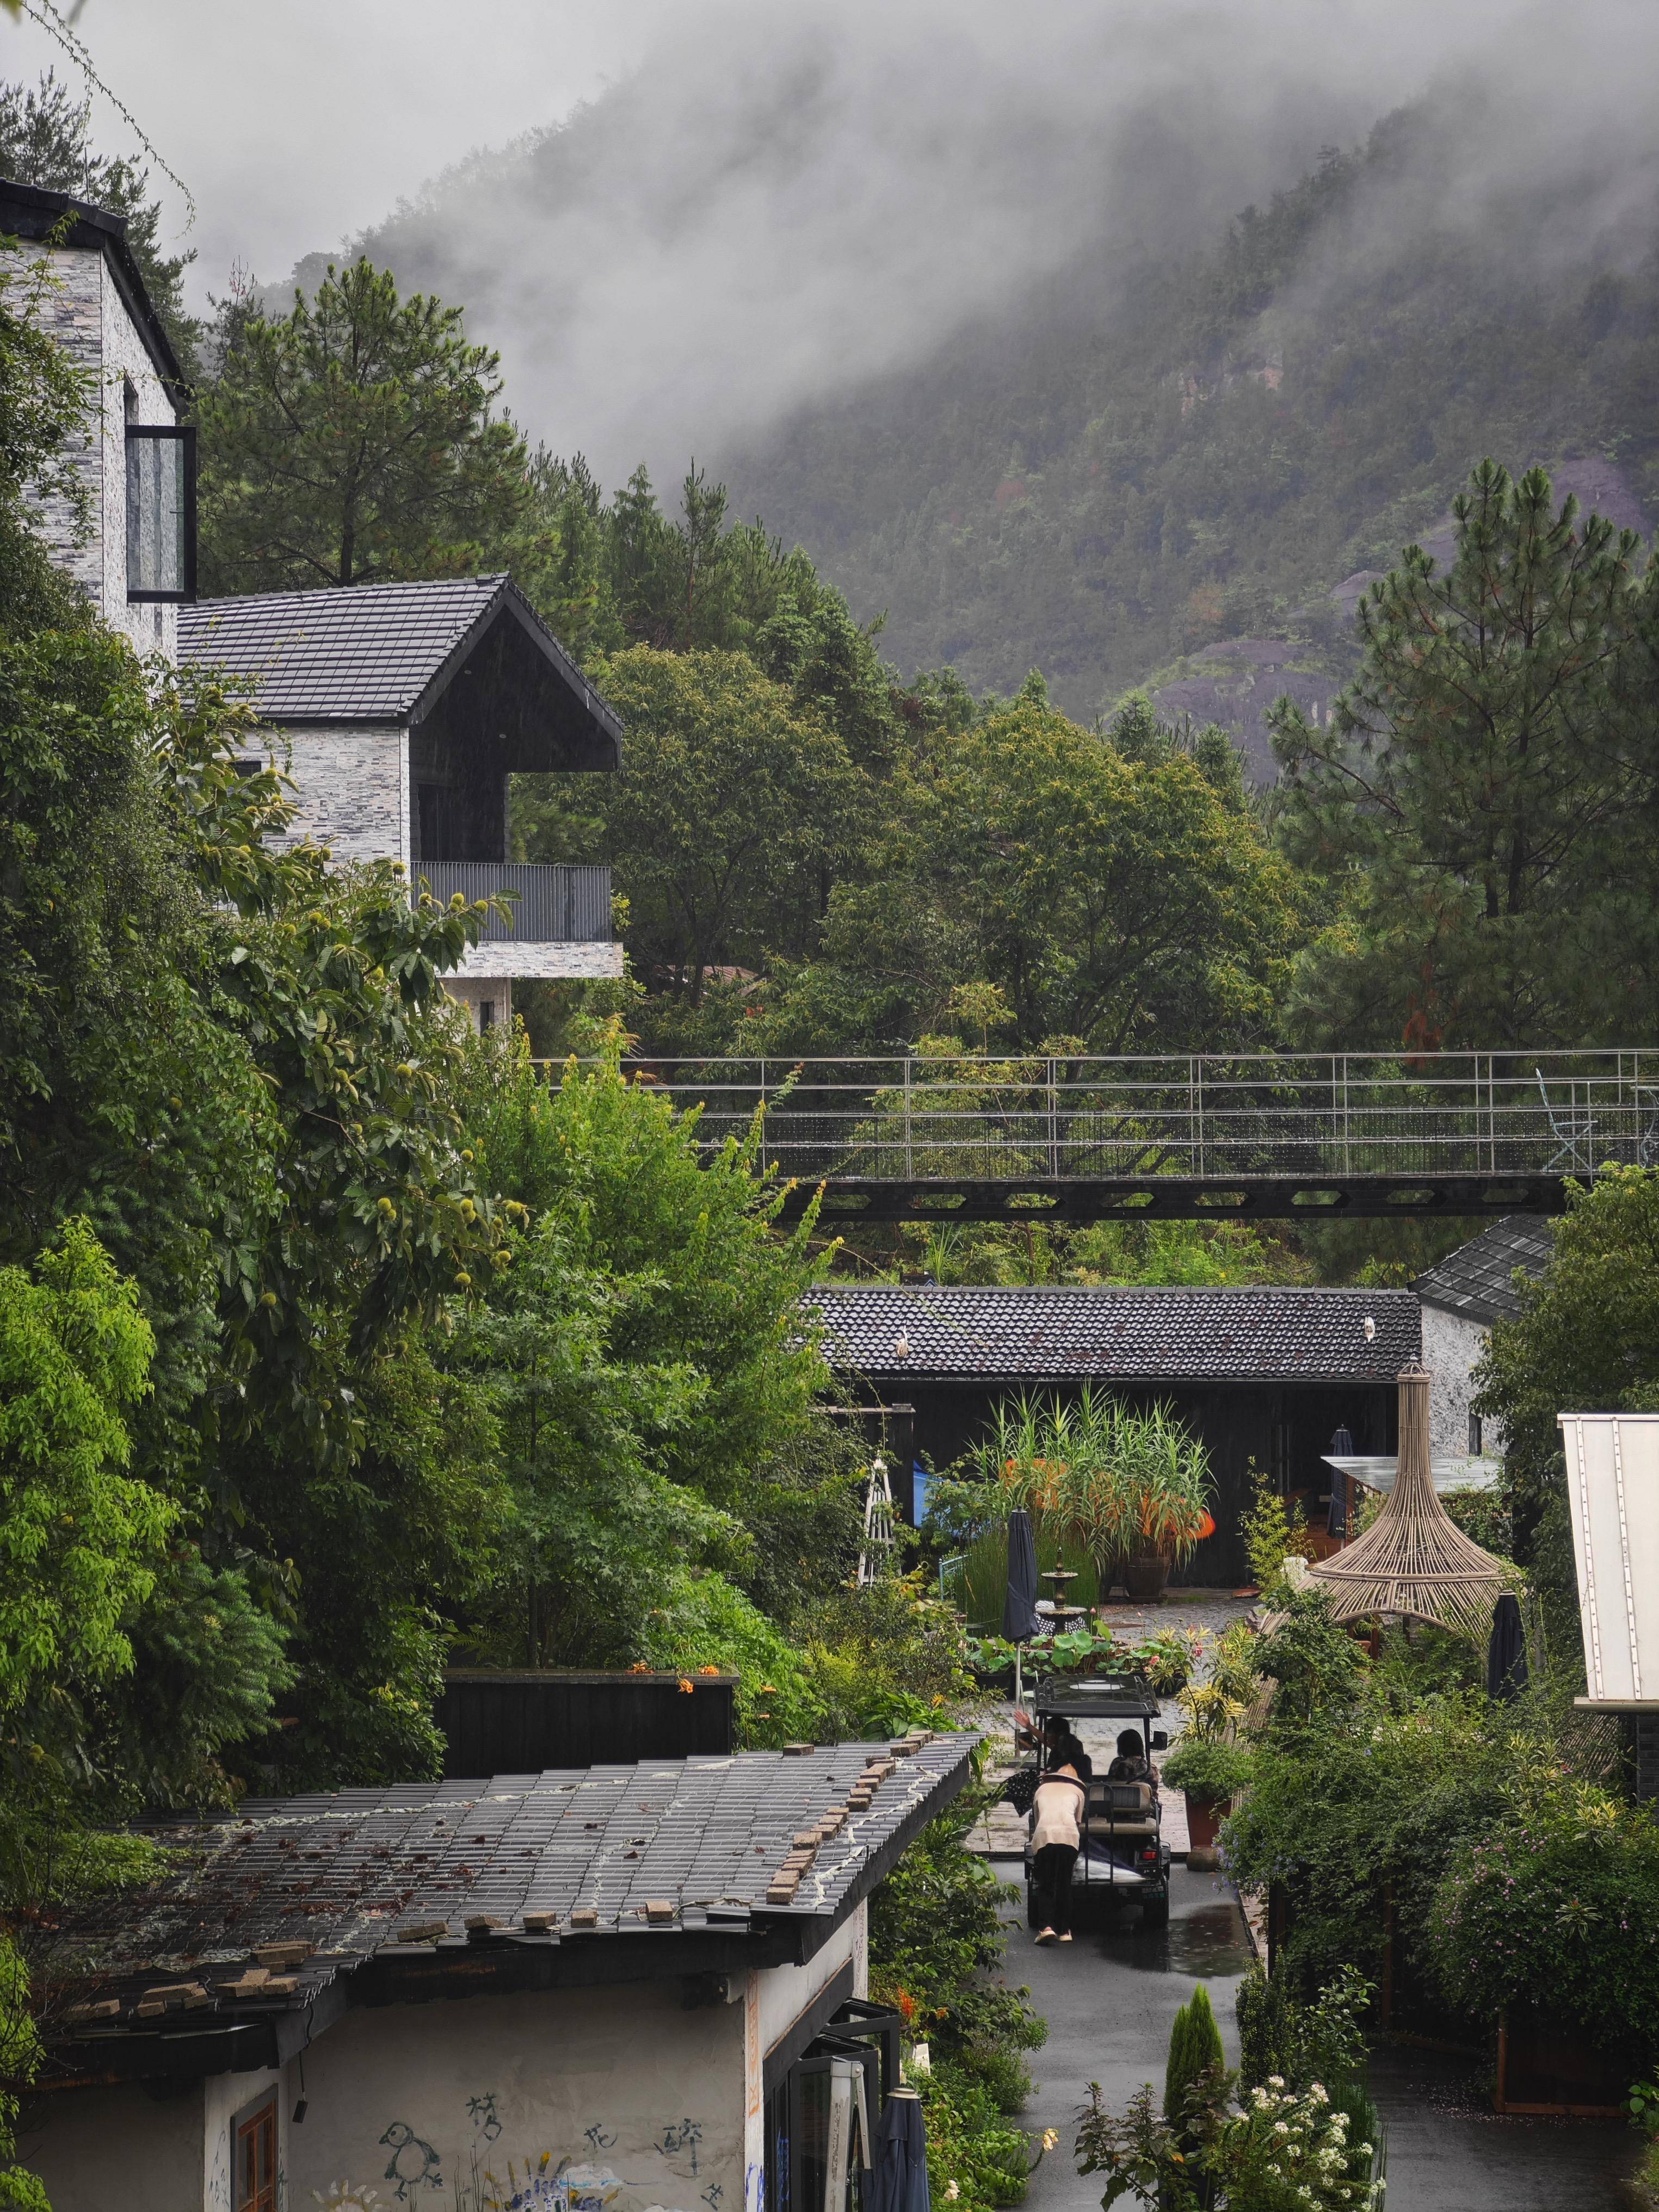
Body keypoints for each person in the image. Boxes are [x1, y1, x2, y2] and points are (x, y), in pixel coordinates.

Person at [1029, 1750, 1086, 1944]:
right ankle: (1064, 1931)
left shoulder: (1041, 1790)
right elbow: (1077, 1821)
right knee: (1064, 1884)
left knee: (1046, 1884)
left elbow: (1037, 1821)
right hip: (1069, 1838)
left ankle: (1046, 1928)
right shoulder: (1078, 1792)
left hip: (1045, 1837)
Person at [1105, 1727, 1156, 1791]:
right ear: (1140, 1746)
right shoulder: (1151, 1768)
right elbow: (1154, 1792)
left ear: (1122, 1747)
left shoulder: (1117, 1763)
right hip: (1143, 1801)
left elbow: (1110, 1783)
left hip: (1116, 1800)